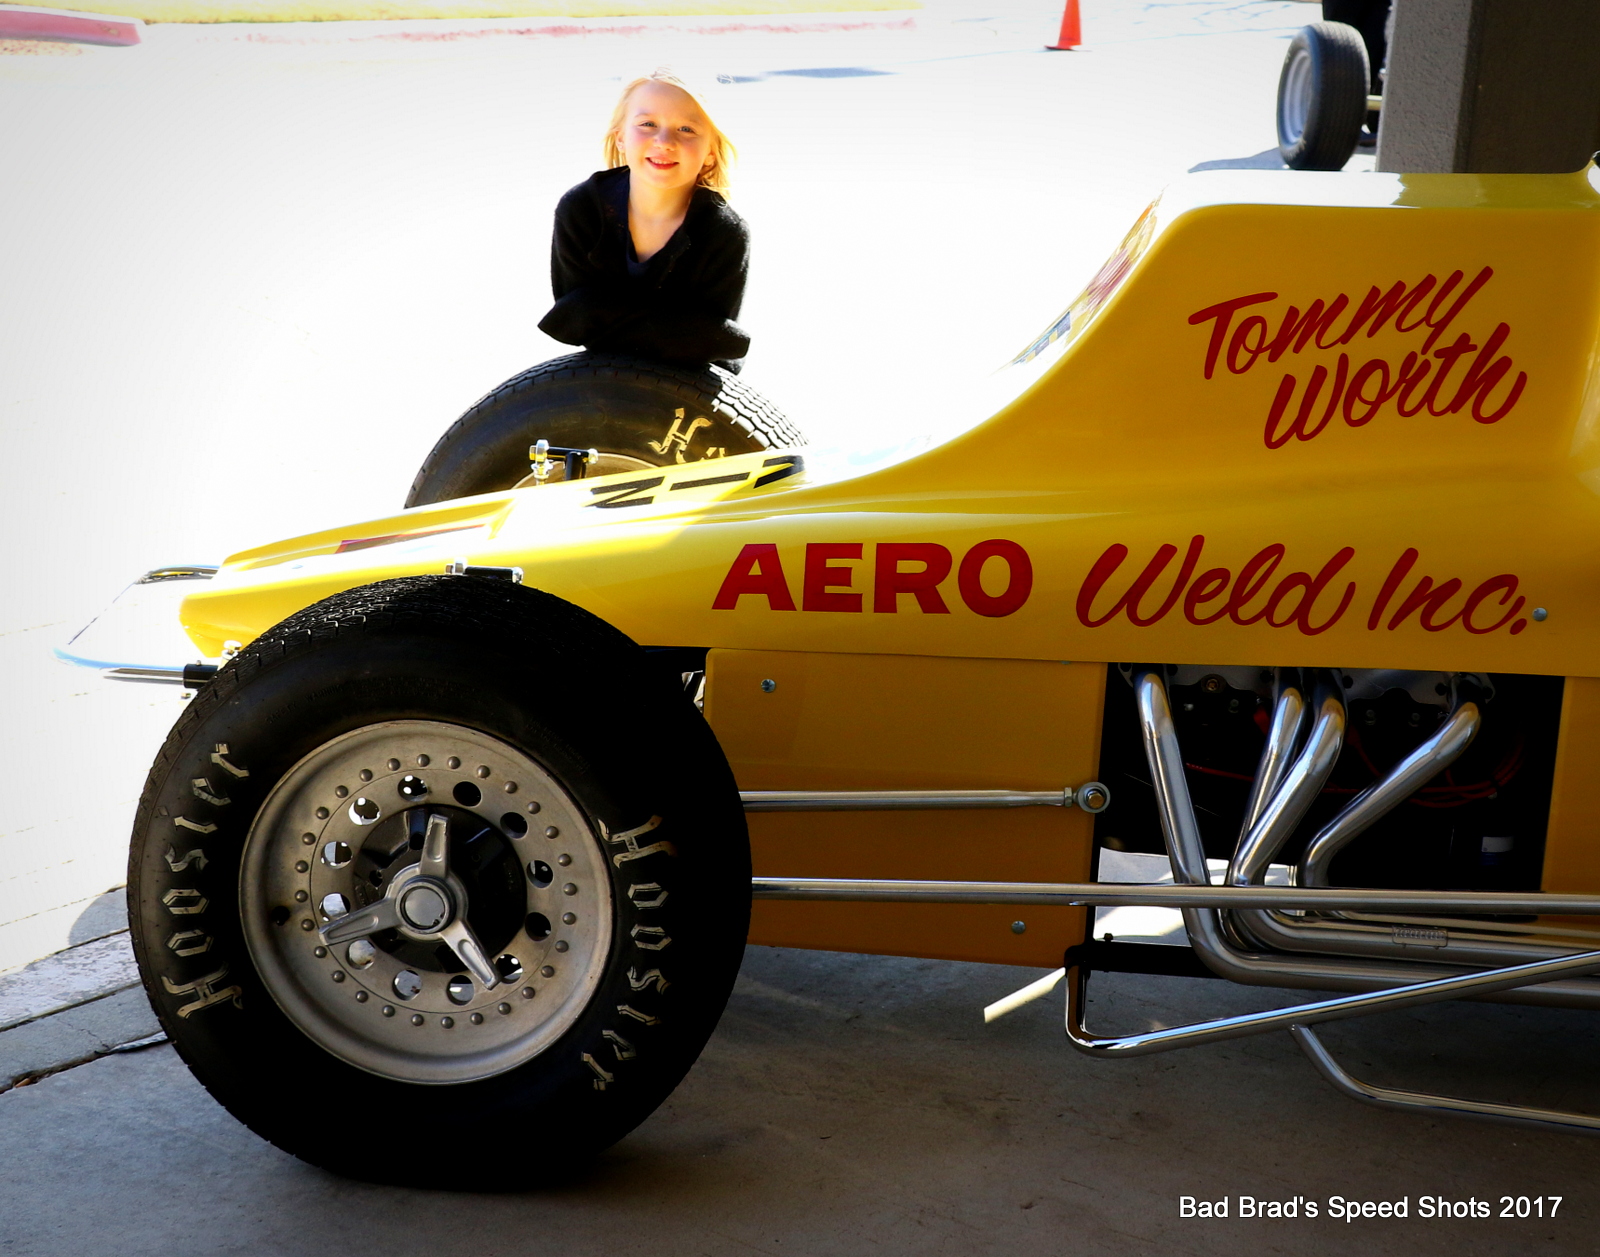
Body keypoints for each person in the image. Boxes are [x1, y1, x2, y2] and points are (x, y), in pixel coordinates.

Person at [538, 71, 752, 373]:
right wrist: (676, 326)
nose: (664, 142)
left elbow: (715, 345)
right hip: (602, 373)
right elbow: (573, 320)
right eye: (647, 124)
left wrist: (602, 312)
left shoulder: (724, 232)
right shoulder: (583, 209)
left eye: (687, 129)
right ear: (621, 138)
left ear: (710, 153)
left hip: (689, 384)